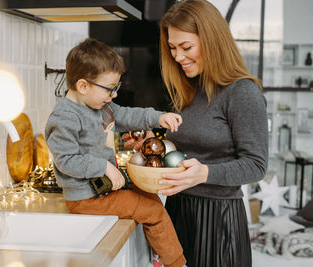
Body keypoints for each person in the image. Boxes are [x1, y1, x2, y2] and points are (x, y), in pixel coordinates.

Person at [124, 1, 268, 266]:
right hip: (178, 212)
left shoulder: (242, 92)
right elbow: (185, 150)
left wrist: (205, 173)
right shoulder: (188, 90)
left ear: (212, 41)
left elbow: (256, 165)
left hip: (218, 220)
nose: (178, 57)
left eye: (186, 47)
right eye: (172, 48)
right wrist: (149, 144)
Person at [45, 38, 186, 267]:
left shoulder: (101, 106)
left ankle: (158, 258)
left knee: (152, 200)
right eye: (110, 89)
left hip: (103, 189)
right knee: (152, 210)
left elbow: (128, 116)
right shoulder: (65, 117)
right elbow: (66, 160)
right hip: (86, 198)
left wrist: (158, 118)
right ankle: (177, 264)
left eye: (116, 88)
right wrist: (105, 167)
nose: (114, 95)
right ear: (83, 86)